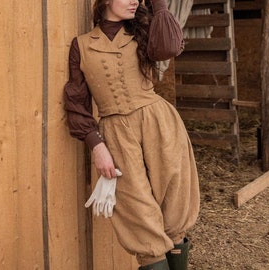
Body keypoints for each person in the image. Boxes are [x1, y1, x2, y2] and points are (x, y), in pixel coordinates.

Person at [63, 0, 200, 269]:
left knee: (175, 208)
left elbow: (171, 47)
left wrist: (159, 6)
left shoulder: (144, 31)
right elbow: (76, 102)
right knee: (136, 213)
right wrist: (96, 146)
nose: (134, 0)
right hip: (115, 135)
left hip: (159, 124)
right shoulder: (82, 45)